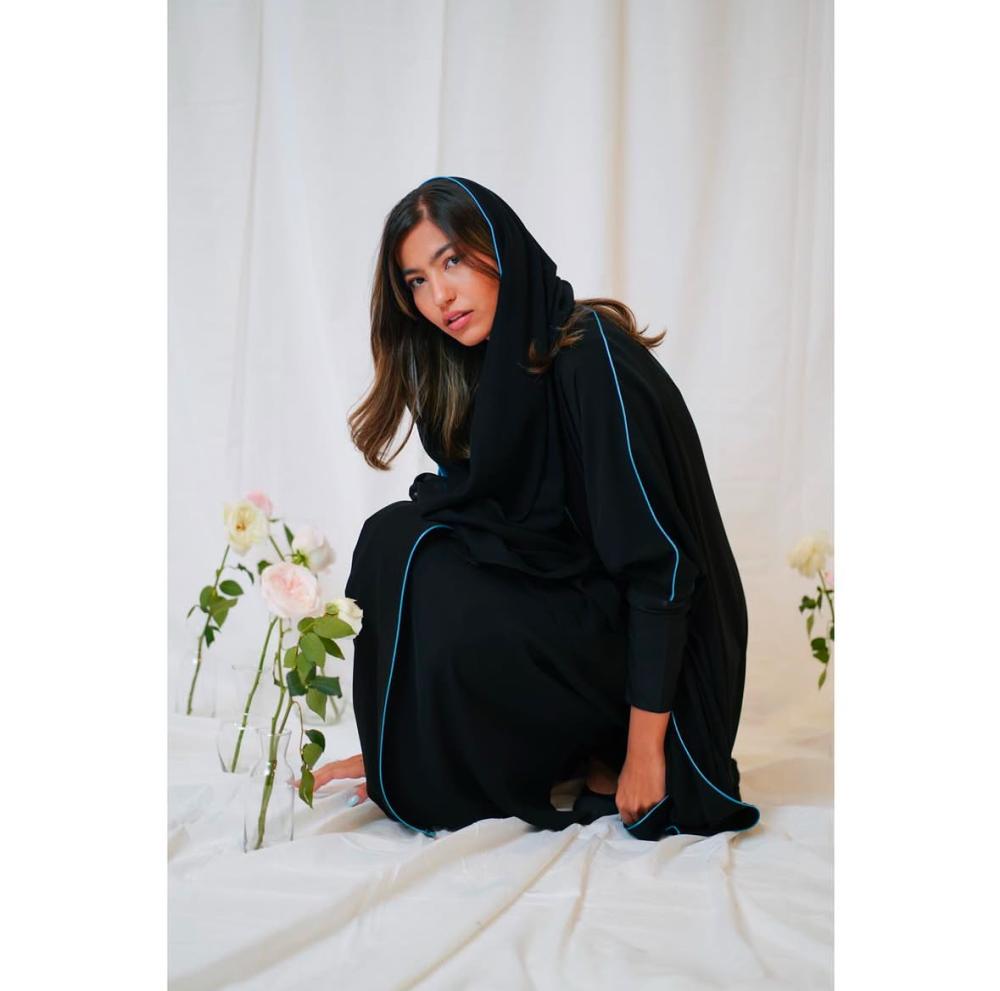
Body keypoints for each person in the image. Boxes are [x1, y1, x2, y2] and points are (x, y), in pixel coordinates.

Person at [313, 176, 760, 841]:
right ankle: (407, 762)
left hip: (667, 655)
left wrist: (644, 753)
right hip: (587, 613)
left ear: (500, 247)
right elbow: (501, 529)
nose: (440, 296)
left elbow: (661, 568)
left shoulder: (589, 356)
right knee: (398, 541)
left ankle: (612, 742)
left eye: (452, 261)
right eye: (417, 281)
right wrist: (396, 745)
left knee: (430, 564)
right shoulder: (485, 370)